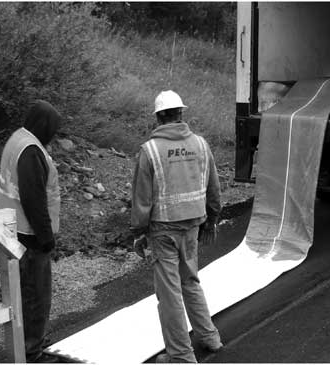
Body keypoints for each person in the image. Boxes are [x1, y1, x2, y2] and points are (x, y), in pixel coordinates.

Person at [131, 90, 223, 363]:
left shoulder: (150, 151)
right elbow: (214, 189)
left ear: (159, 117)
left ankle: (181, 356)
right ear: (181, 114)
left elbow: (142, 198)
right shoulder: (201, 145)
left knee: (169, 293)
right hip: (193, 224)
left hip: (163, 230)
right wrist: (212, 219)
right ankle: (210, 337)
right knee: (190, 280)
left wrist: (139, 233)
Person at [0, 100, 62, 363]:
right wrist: (46, 238)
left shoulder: (19, 138)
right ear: (44, 126)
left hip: (12, 228)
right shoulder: (31, 151)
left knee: (24, 292)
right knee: (36, 295)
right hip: (29, 234)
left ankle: (28, 345)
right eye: (53, 130)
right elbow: (33, 199)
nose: (53, 137)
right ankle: (32, 352)